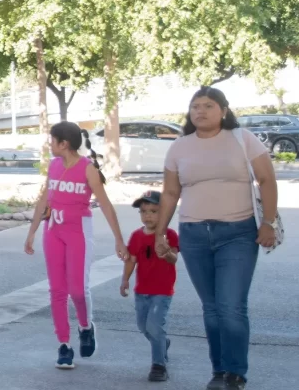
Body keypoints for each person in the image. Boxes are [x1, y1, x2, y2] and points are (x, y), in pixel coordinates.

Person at [154, 87, 278, 390]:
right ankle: (219, 370)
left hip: (237, 232)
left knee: (231, 306)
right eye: (195, 106)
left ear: (223, 110)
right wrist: (160, 232)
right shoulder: (180, 147)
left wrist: (268, 222)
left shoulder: (242, 139)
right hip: (194, 234)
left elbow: (267, 180)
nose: (200, 111)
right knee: (211, 307)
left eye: (208, 106)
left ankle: (236, 373)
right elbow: (170, 193)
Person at [25, 121, 127, 370]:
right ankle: (63, 345)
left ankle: (85, 325)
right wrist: (32, 232)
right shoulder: (54, 165)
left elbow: (105, 205)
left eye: (52, 140)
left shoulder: (87, 169)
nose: (50, 145)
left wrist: (119, 239)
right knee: (57, 290)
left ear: (64, 143)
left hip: (78, 232)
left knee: (78, 290)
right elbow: (43, 200)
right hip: (54, 231)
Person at [121, 190, 180, 382]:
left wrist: (167, 253)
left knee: (154, 325)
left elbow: (173, 259)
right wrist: (125, 280)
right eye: (143, 211)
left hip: (162, 291)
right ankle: (162, 344)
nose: (147, 215)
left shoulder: (169, 234)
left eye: (153, 211)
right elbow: (132, 260)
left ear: (163, 213)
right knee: (143, 326)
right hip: (142, 290)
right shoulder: (137, 236)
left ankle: (159, 365)